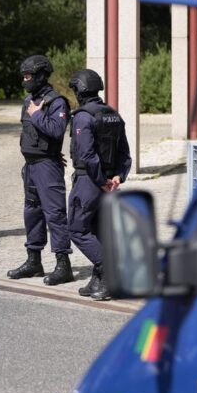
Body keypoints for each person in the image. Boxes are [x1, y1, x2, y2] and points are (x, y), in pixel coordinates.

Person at [6, 55, 74, 285]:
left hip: (48, 166)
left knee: (54, 214)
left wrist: (37, 114)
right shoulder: (29, 100)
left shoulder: (57, 102)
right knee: (32, 213)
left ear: (41, 76)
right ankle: (33, 261)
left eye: (29, 76)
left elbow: (56, 131)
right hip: (31, 166)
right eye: (24, 76)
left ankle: (63, 265)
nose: (25, 80)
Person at [67, 69, 131, 300]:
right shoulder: (113, 114)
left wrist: (101, 181)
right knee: (98, 230)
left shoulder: (84, 117)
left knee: (77, 229)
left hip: (90, 182)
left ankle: (110, 273)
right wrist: (119, 177)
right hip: (109, 183)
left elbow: (87, 154)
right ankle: (98, 282)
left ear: (80, 90)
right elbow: (125, 152)